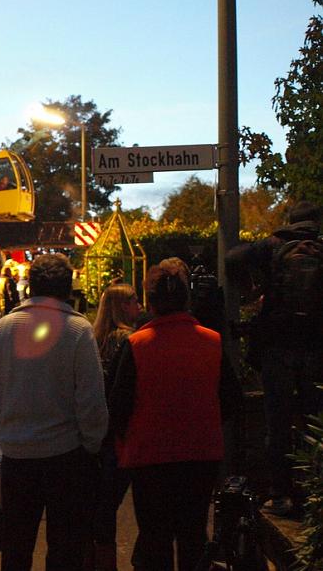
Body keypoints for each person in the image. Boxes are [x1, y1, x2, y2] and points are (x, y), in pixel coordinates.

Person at [109, 259, 242, 571]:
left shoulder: (137, 344)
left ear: (151, 303)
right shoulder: (211, 341)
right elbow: (232, 399)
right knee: (193, 534)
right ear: (187, 299)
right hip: (201, 456)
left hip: (149, 457)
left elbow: (118, 406)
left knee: (155, 538)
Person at [0, 253, 107, 571]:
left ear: (30, 287)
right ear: (67, 289)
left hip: (17, 458)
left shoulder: (3, 329)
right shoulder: (78, 331)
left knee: (17, 545)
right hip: (66, 456)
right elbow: (91, 400)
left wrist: (1, 431)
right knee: (65, 546)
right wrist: (92, 444)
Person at [226, 200, 323, 516]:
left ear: (290, 221)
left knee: (277, 422)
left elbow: (232, 258)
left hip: (277, 348)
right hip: (315, 347)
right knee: (314, 423)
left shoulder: (274, 244)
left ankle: (280, 494)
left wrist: (254, 288)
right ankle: (313, 493)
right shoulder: (319, 246)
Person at [87, 283, 141, 571]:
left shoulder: (95, 339)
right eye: (134, 300)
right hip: (121, 434)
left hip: (97, 432)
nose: (140, 306)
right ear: (122, 306)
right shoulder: (129, 340)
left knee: (102, 506)